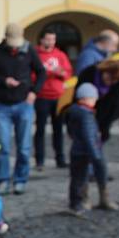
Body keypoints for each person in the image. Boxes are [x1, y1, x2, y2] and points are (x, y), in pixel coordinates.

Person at [0, 23, 47, 195]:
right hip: (2, 105)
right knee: (3, 146)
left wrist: (34, 92)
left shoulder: (29, 50)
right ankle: (3, 180)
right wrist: (3, 81)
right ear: (5, 38)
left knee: (24, 147)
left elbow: (41, 72)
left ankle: (21, 179)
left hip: (24, 104)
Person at [65, 83, 119, 217]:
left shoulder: (75, 111)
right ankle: (77, 203)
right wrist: (95, 154)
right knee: (80, 178)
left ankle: (79, 201)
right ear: (85, 99)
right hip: (86, 151)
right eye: (93, 99)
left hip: (79, 150)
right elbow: (89, 136)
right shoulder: (85, 115)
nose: (95, 101)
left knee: (78, 178)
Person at [34, 28, 72, 170]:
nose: (51, 42)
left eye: (53, 39)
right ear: (42, 40)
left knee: (58, 129)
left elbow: (68, 73)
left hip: (57, 96)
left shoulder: (60, 55)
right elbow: (32, 74)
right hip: (42, 96)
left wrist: (60, 73)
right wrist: (48, 73)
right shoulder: (36, 55)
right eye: (48, 39)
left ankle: (60, 158)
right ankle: (40, 160)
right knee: (40, 129)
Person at [76, 59, 119, 141]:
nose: (110, 82)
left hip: (102, 119)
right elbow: (77, 99)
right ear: (104, 71)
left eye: (114, 81)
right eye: (110, 78)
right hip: (84, 118)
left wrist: (103, 128)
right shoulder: (88, 74)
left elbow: (114, 106)